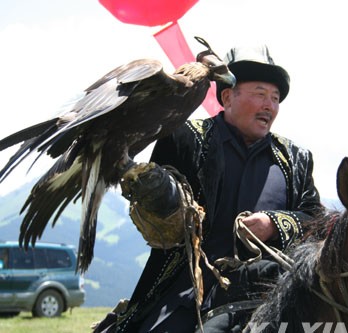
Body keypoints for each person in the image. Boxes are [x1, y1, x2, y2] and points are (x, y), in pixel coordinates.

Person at [93, 44, 325, 333]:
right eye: (260, 94)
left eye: (275, 98)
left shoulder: (295, 159)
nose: (270, 105)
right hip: (188, 290)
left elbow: (318, 221)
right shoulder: (184, 138)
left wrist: (274, 223)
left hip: (268, 295)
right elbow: (157, 218)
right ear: (227, 97)